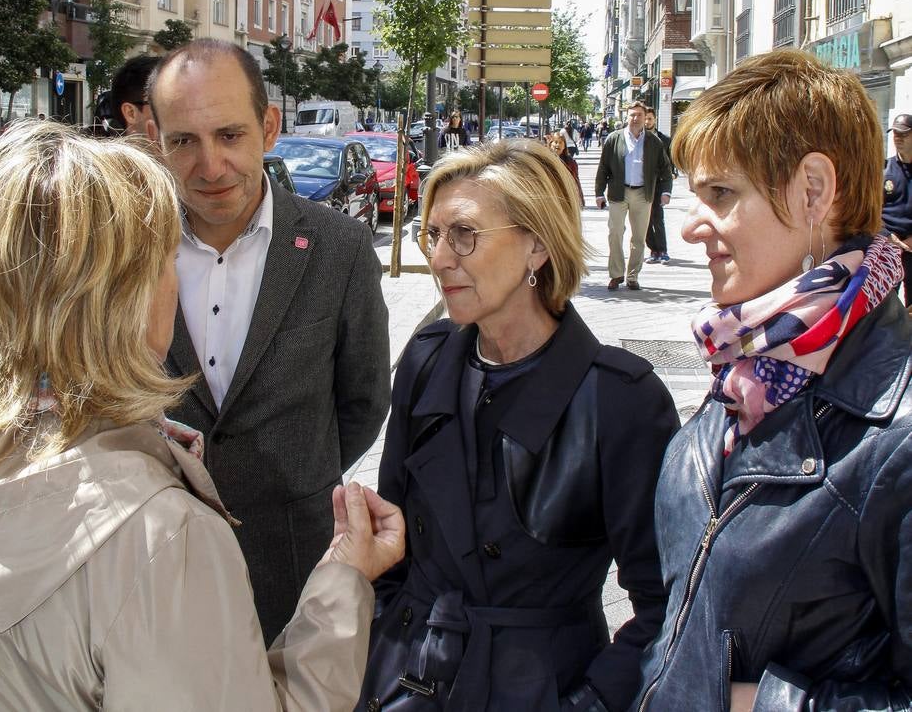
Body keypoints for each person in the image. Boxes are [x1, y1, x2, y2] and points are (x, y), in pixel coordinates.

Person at [0, 121, 406, 710]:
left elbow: (363, 399)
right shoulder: (161, 540)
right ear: (125, 297)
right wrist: (344, 583)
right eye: (168, 260)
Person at [356, 139, 679, 712]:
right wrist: (386, 641)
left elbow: (665, 605)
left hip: (541, 687)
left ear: (536, 244)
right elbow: (396, 532)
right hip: (409, 679)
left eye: (464, 234)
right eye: (431, 235)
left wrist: (589, 703)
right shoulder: (427, 358)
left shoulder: (619, 399)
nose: (438, 258)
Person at [635, 49, 912, 711]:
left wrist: (770, 705)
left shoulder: (896, 430)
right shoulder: (747, 370)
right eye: (693, 194)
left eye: (720, 194)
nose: (691, 225)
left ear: (814, 192)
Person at [147, 38, 391, 643]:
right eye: (184, 141)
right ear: (157, 141)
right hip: (153, 566)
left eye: (229, 135)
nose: (209, 166)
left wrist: (296, 475)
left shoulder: (340, 249)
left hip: (293, 566)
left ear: (270, 127)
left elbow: (364, 401)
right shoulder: (130, 250)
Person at [594, 102, 672, 291]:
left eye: (639, 115)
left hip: (643, 194)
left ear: (645, 118)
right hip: (618, 193)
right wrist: (599, 193)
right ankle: (616, 274)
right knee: (615, 232)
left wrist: (665, 192)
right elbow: (603, 167)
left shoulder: (654, 142)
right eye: (631, 115)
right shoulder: (614, 139)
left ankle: (632, 276)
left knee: (638, 237)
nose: (635, 118)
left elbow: (665, 169)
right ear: (626, 117)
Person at [882, 112, 912, 306]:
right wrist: (887, 235)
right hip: (888, 246)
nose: (897, 138)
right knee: (884, 304)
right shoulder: (884, 169)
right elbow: (871, 209)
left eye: (903, 134)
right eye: (895, 133)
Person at [643, 107, 673, 265]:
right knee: (644, 219)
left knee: (657, 217)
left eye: (650, 119)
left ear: (655, 119)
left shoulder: (664, 140)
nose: (647, 122)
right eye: (645, 119)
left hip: (659, 183)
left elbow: (669, 162)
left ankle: (663, 250)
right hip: (642, 184)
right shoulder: (638, 138)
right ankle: (653, 249)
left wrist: (668, 185)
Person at [546, 130, 584, 206]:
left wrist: (580, 198)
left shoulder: (570, 162)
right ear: (550, 144)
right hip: (548, 198)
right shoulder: (544, 160)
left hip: (565, 198)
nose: (558, 145)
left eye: (560, 142)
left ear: (564, 146)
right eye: (555, 142)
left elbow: (575, 180)